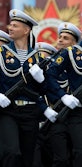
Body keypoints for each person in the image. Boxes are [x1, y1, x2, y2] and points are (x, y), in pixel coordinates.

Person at [0, 9, 58, 167]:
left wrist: (41, 79)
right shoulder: (0, 52)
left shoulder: (38, 57)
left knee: (28, 157)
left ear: (26, 30)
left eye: (15, 26)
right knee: (12, 152)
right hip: (9, 111)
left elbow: (45, 89)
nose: (10, 28)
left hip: (31, 111)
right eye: (10, 25)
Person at [45, 22, 82, 167]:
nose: (60, 40)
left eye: (65, 38)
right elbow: (50, 75)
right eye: (60, 37)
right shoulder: (72, 52)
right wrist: (63, 95)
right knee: (79, 151)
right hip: (77, 112)